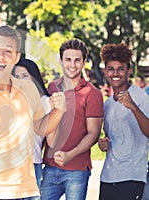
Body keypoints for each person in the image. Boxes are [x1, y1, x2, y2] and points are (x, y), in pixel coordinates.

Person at [0, 25, 66, 199]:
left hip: (26, 192)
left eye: (8, 51)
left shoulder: (29, 88)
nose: (0, 56)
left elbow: (41, 127)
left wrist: (59, 111)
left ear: (17, 57)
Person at [41, 39, 104, 200]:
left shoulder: (92, 94)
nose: (72, 64)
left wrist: (70, 155)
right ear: (60, 61)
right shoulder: (51, 87)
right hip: (50, 167)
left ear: (84, 63)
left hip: (77, 169)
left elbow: (93, 134)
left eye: (77, 60)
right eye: (68, 59)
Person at [98, 43, 149, 200]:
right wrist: (104, 143)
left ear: (128, 71)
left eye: (121, 69)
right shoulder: (107, 104)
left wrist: (132, 106)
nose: (116, 73)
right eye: (111, 69)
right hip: (107, 177)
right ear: (105, 71)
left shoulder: (140, 96)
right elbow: (110, 135)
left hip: (132, 177)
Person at [12, 58, 51, 190]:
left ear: (34, 77)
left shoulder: (46, 102)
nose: (20, 81)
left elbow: (48, 135)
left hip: (32, 163)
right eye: (16, 77)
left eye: (25, 76)